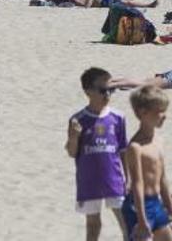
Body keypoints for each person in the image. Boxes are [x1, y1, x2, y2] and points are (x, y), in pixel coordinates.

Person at [65, 68, 127, 241]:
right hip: (89, 180)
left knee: (126, 222)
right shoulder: (78, 119)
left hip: (114, 179)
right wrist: (74, 137)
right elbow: (72, 152)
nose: (107, 94)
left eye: (111, 89)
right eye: (102, 90)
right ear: (88, 91)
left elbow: (123, 150)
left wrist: (128, 178)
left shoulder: (118, 118)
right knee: (93, 225)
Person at [122, 85, 172, 241]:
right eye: (160, 111)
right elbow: (137, 184)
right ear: (143, 113)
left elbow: (162, 177)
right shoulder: (135, 147)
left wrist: (170, 206)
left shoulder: (158, 141)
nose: (164, 116)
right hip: (138, 207)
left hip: (156, 203)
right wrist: (142, 221)